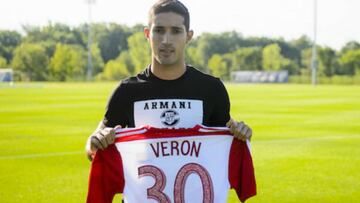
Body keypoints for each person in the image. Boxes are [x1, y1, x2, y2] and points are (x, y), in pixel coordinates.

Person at [85, 0, 252, 161]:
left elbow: (226, 146)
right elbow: (93, 147)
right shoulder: (127, 91)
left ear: (188, 36)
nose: (166, 40)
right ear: (147, 34)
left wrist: (241, 135)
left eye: (176, 31)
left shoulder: (211, 89)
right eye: (159, 30)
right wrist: (94, 143)